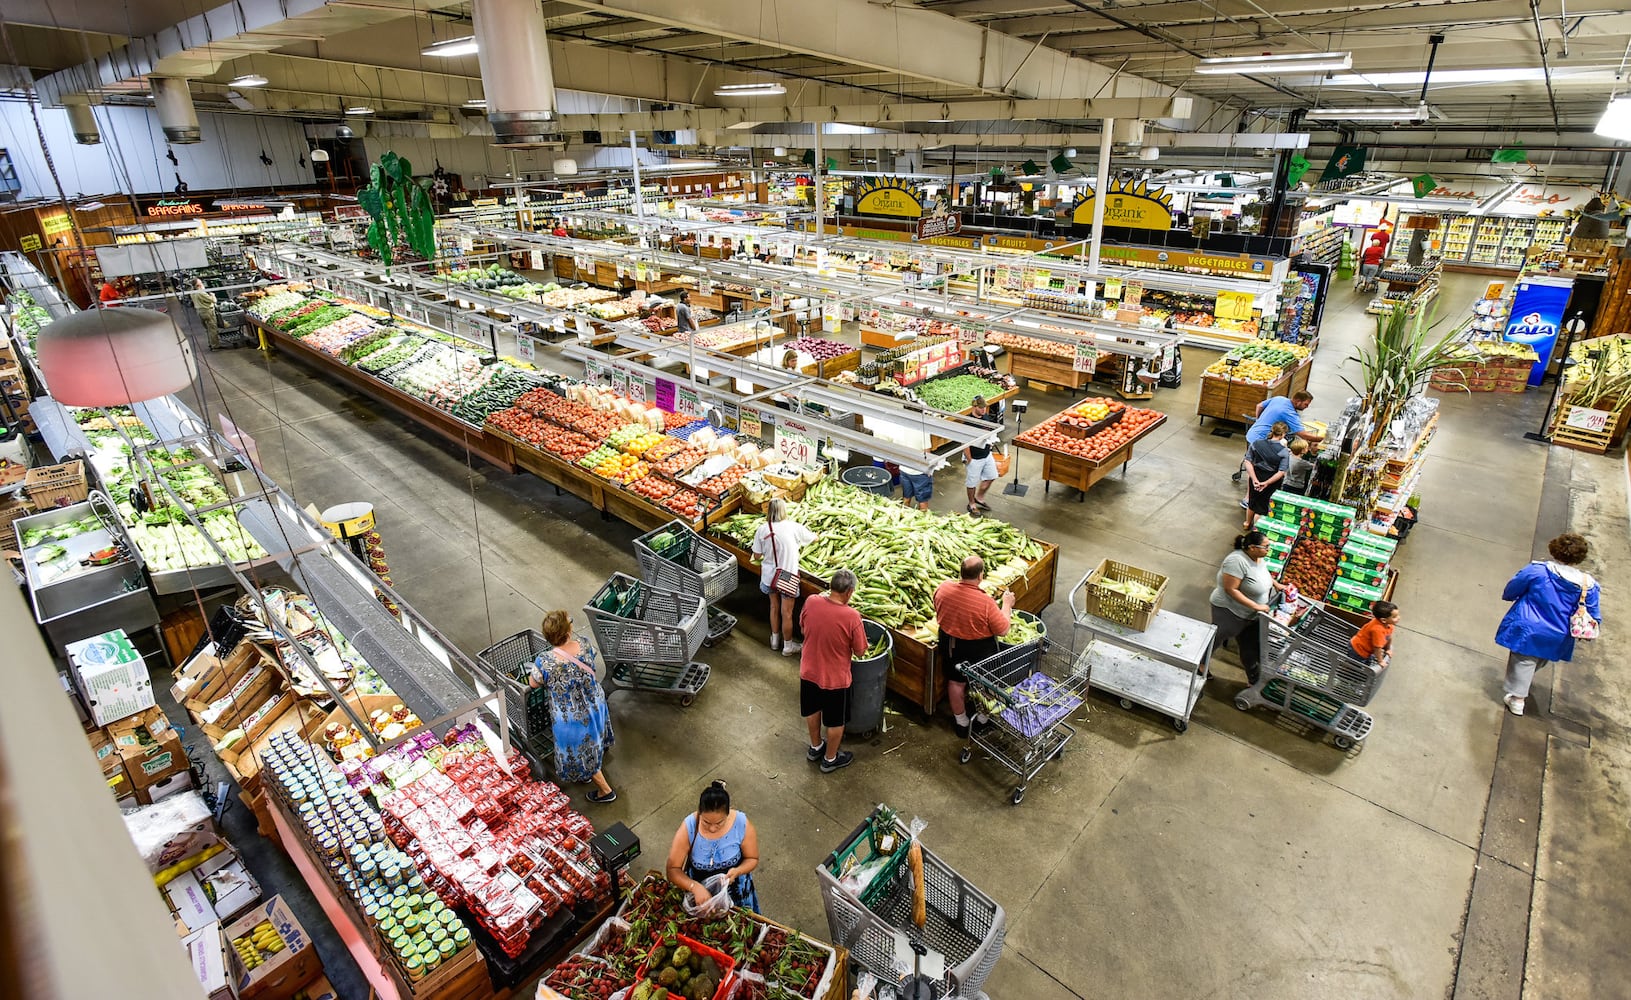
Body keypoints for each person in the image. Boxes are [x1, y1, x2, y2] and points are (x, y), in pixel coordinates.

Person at [1494, 533, 1601, 716]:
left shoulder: (1538, 571)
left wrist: (1509, 596)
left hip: (1530, 626)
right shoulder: (1588, 585)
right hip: (1559, 633)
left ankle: (1518, 699)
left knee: (1523, 660)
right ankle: (1521, 688)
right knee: (1539, 658)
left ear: (1555, 549)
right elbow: (1594, 613)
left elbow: (1514, 587)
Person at [526, 610, 617, 803]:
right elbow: (590, 659)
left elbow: (533, 683)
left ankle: (605, 791)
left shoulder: (544, 661)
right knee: (593, 739)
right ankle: (594, 764)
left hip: (570, 719)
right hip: (595, 703)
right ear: (567, 632)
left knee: (578, 752)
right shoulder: (584, 644)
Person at [933, 556, 1014, 737]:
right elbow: (1003, 630)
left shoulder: (943, 588)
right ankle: (982, 720)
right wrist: (1007, 605)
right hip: (979, 649)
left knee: (955, 681)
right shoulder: (986, 602)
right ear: (981, 576)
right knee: (986, 683)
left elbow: (937, 607)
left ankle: (961, 722)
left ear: (961, 572)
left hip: (951, 645)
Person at [798, 568, 868, 773]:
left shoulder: (811, 601)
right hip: (835, 679)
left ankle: (815, 747)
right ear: (849, 592)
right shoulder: (852, 616)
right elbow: (861, 651)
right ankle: (830, 759)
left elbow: (803, 628)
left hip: (809, 670)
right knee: (835, 720)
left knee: (812, 708)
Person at [665, 780, 760, 913]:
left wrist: (738, 871)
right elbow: (672, 870)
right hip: (702, 900)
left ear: (728, 813)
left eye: (719, 823)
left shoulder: (741, 824)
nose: (713, 828)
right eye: (706, 822)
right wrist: (694, 887)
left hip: (738, 895)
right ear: (700, 813)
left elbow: (752, 858)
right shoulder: (690, 827)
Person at [1209, 531, 1285, 686]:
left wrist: (1276, 585)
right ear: (1252, 547)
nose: (1268, 549)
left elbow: (1263, 574)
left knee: (1250, 646)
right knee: (1215, 640)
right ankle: (1201, 665)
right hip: (1230, 611)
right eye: (1265, 546)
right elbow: (1231, 589)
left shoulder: (1258, 558)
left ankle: (1254, 680)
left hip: (1251, 614)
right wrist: (1256, 606)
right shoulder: (1236, 561)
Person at [751, 498, 816, 655]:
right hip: (787, 575)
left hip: (769, 576)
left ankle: (774, 640)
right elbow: (813, 538)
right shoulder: (792, 526)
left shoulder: (762, 529)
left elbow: (757, 555)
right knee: (786, 612)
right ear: (783, 511)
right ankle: (787, 646)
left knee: (774, 607)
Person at [1233, 390, 1321, 483]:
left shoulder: (1279, 399)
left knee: (1251, 461)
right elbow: (1303, 434)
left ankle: (1253, 487)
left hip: (1253, 433)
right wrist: (1323, 439)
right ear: (1298, 401)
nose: (1306, 407)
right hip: (1262, 439)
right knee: (1258, 467)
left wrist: (1259, 420)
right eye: (1306, 404)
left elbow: (1259, 406)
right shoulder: (1290, 413)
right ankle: (1253, 489)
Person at [1242, 421, 1291, 528]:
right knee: (1262, 507)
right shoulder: (1283, 452)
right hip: (1271, 480)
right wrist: (1266, 483)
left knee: (1252, 500)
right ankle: (1256, 529)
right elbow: (1281, 472)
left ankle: (1247, 523)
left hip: (1256, 475)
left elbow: (1248, 461)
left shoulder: (1256, 443)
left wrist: (1254, 479)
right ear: (1283, 435)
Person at [963, 396, 1001, 517]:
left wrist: (991, 443)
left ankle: (979, 497)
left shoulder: (986, 417)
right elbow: (964, 443)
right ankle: (971, 504)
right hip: (974, 457)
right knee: (971, 483)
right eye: (981, 407)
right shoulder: (968, 422)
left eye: (984, 407)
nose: (984, 409)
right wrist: (969, 459)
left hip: (986, 454)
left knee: (992, 476)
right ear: (974, 407)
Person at [1350, 600, 1399, 666]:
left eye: (1397, 615)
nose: (1398, 618)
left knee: (1366, 663)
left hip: (1367, 650)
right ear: (1383, 620)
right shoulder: (1377, 630)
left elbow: (1388, 637)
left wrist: (1387, 649)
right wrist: (1380, 661)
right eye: (1394, 617)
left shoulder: (1389, 625)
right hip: (1358, 650)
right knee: (1354, 665)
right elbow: (1377, 648)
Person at [190, 278, 221, 350]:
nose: (202, 284)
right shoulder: (200, 292)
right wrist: (212, 295)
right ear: (198, 285)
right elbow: (214, 300)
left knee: (207, 329)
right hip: (207, 312)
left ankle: (211, 343)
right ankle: (215, 346)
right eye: (201, 283)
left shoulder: (192, 292)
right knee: (213, 329)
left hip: (199, 312)